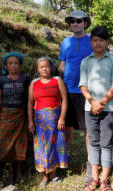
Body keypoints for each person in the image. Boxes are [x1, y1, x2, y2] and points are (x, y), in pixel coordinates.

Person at [79, 26, 113, 191]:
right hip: (89, 108)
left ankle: (104, 180)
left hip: (109, 108)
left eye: (101, 40)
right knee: (94, 142)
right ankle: (94, 178)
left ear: (107, 42)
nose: (98, 43)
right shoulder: (86, 61)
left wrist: (101, 102)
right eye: (95, 40)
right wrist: (92, 101)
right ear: (91, 42)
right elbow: (83, 84)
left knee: (106, 143)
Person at [58, 10, 93, 181]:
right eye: (72, 21)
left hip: (87, 91)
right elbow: (63, 63)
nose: (75, 24)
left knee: (89, 130)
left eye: (79, 21)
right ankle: (64, 162)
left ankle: (90, 165)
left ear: (85, 23)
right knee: (66, 128)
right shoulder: (66, 42)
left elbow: (102, 57)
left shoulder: (93, 40)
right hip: (68, 90)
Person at [28, 57, 68, 187]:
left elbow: (65, 100)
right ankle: (44, 175)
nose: (44, 68)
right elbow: (30, 103)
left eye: (47, 66)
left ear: (52, 68)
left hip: (56, 120)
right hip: (40, 120)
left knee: (55, 145)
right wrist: (30, 121)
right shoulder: (34, 83)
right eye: (41, 66)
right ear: (37, 69)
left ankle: (53, 173)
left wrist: (62, 118)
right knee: (41, 146)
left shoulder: (57, 80)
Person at [0, 52, 30, 184]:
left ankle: (19, 171)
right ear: (6, 66)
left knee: (19, 143)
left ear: (20, 65)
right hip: (6, 115)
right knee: (4, 143)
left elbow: (29, 98)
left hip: (21, 115)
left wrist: (30, 117)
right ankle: (10, 172)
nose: (13, 65)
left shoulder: (25, 78)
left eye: (16, 63)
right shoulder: (2, 80)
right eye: (10, 63)